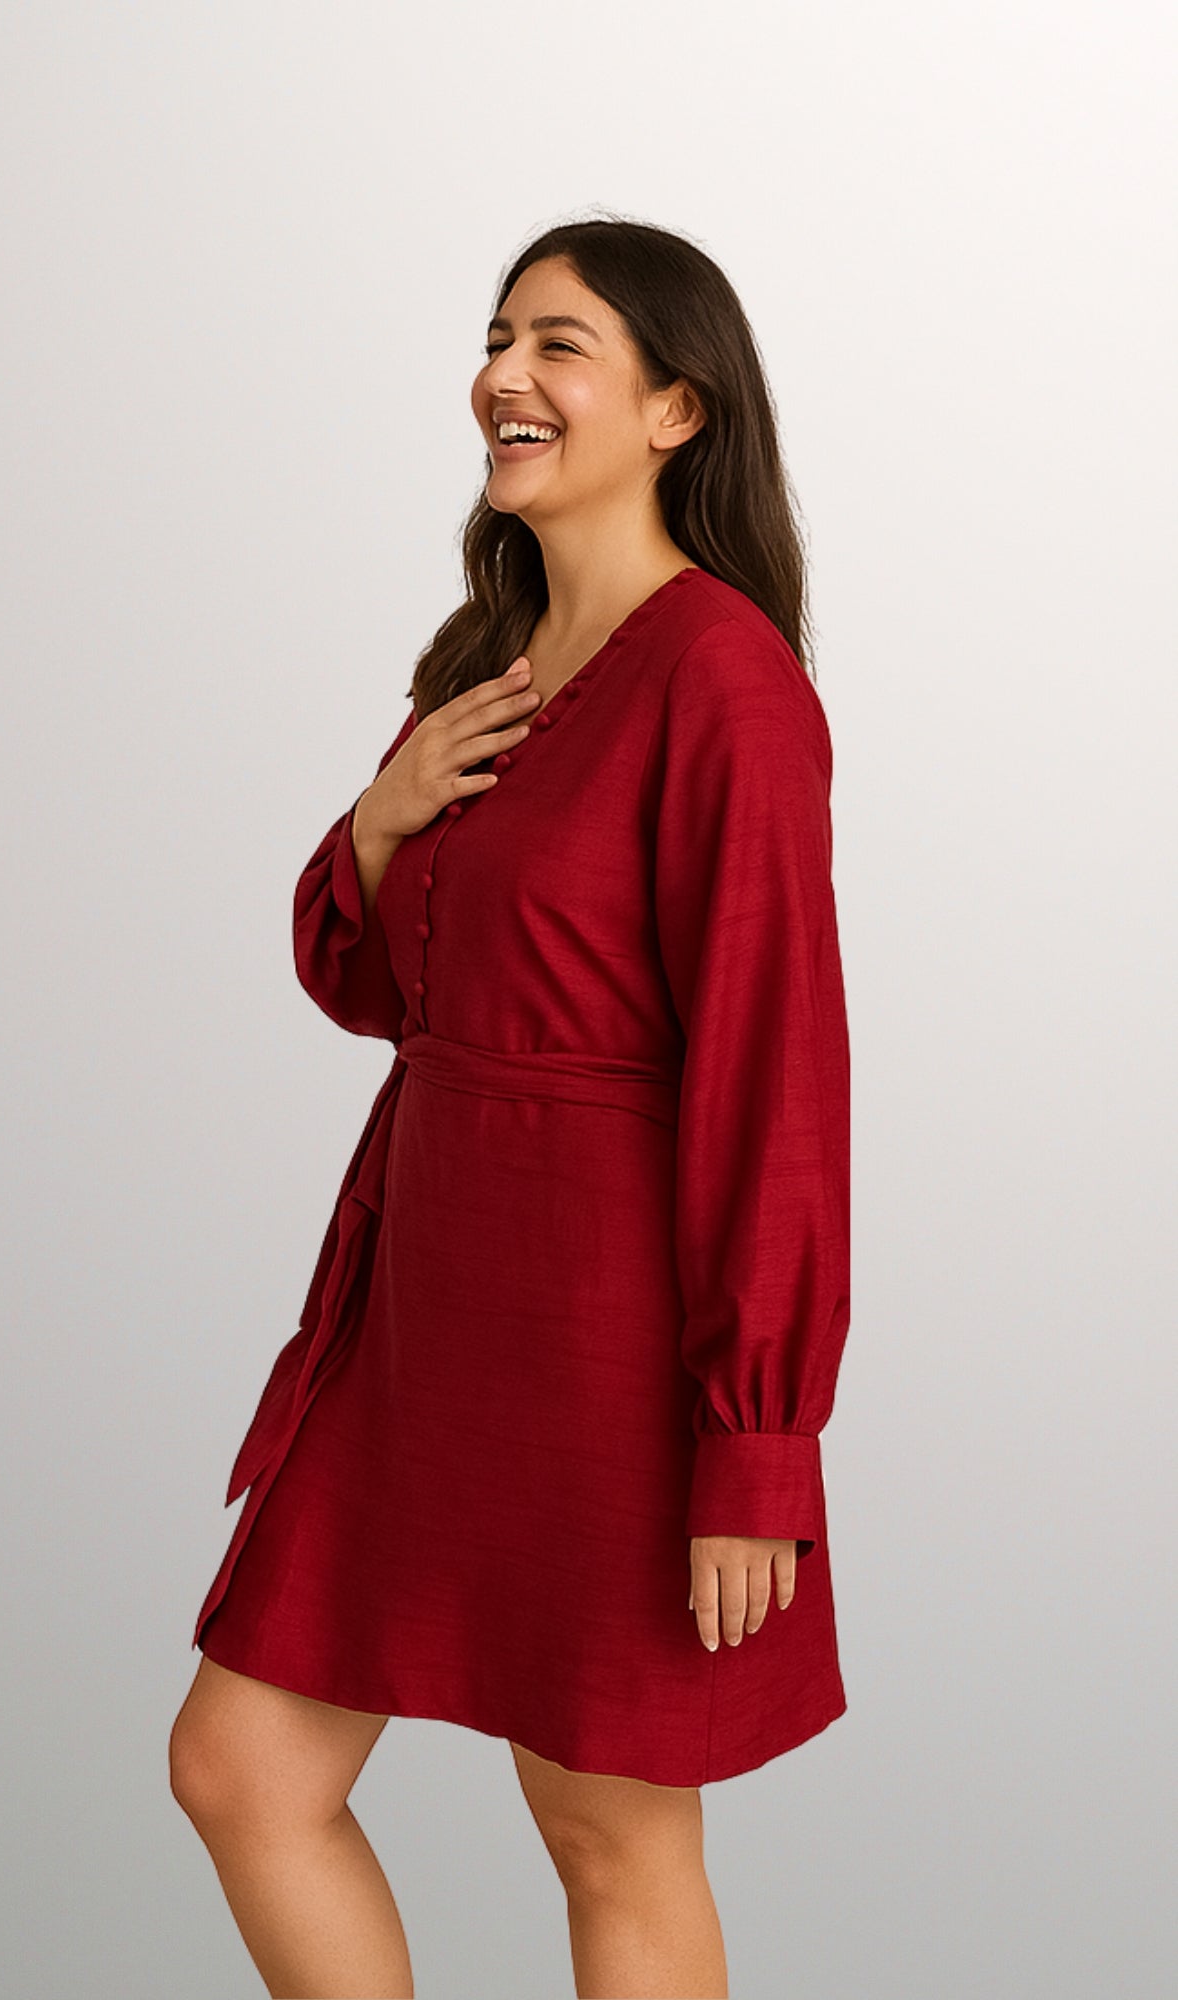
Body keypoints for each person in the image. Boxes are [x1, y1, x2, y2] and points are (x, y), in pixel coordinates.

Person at [169, 215, 851, 2000]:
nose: (505, 375)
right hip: (421, 1309)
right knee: (240, 1771)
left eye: (560, 344)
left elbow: (777, 1074)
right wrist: (386, 812)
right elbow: (388, 993)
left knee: (607, 1834)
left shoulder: (726, 684)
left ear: (677, 409)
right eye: (495, 337)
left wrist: (754, 1442)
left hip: (603, 1330)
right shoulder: (491, 663)